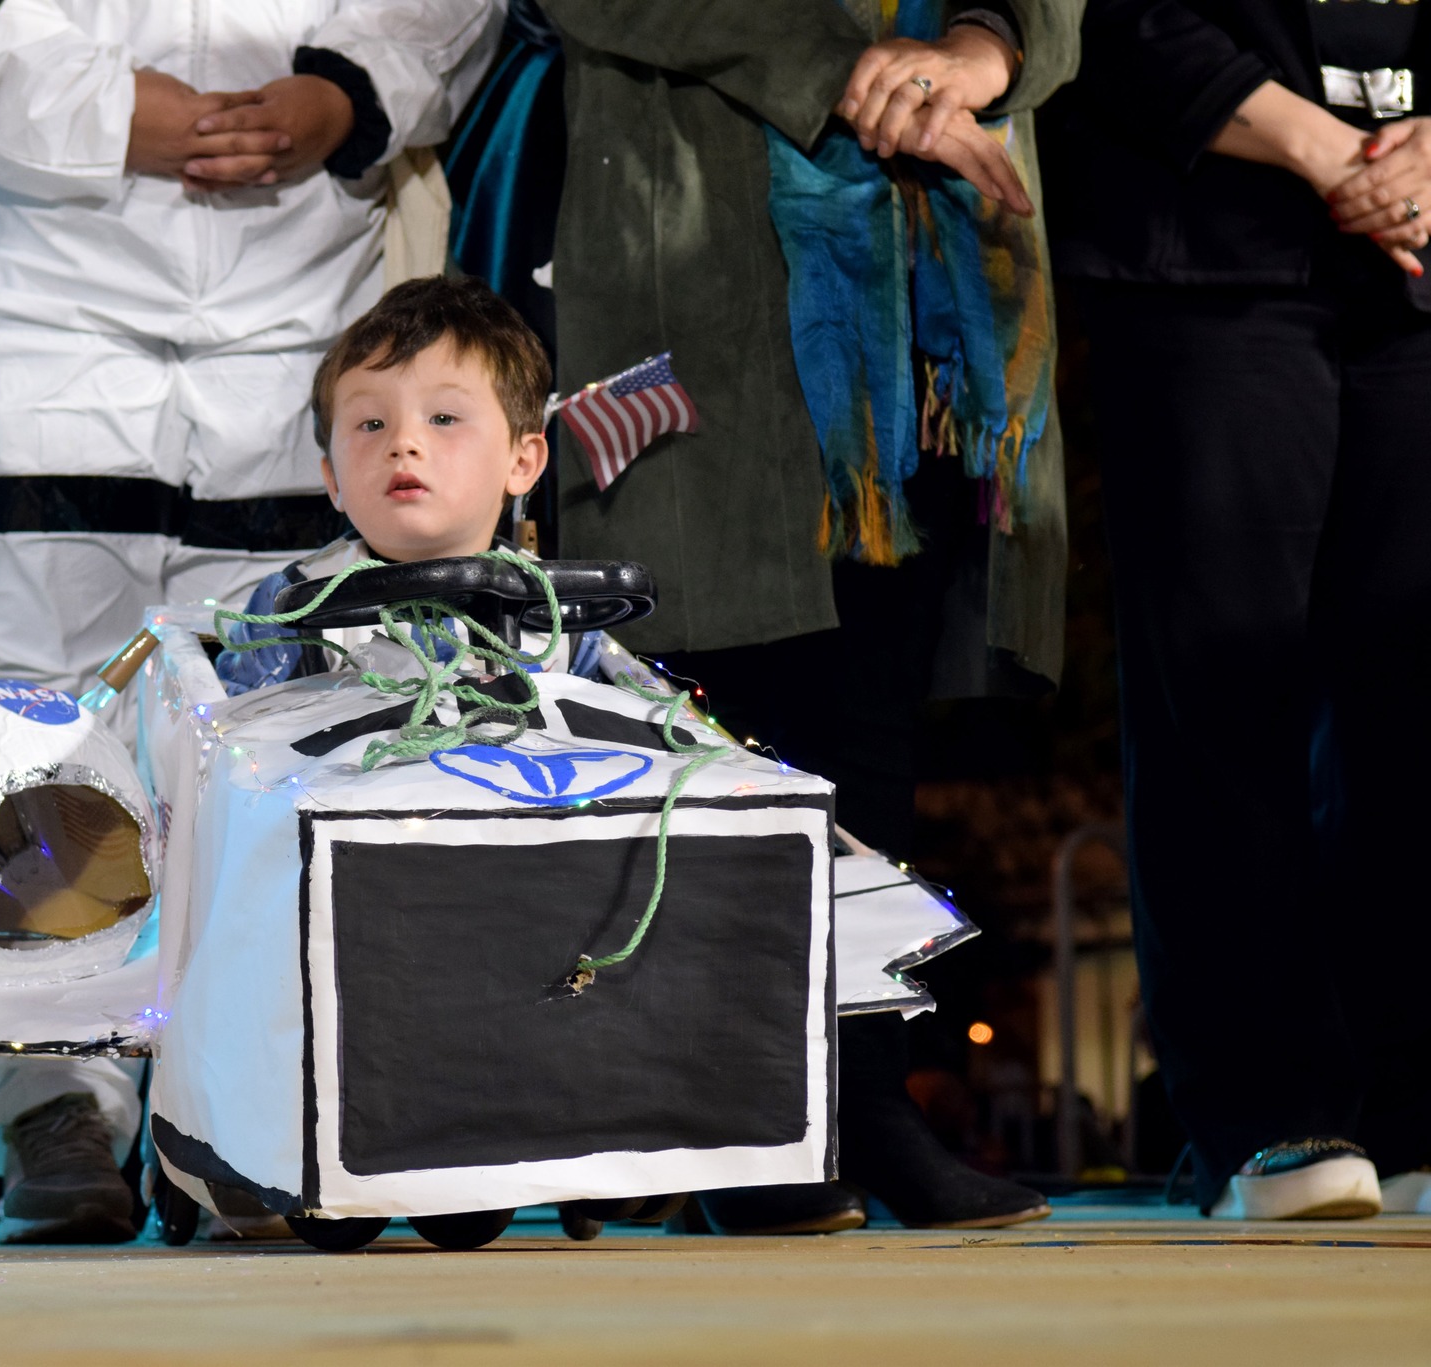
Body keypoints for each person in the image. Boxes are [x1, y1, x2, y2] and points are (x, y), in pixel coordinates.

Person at [0, 0, 503, 1244]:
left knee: (277, 743)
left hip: (300, 309)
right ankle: (52, 1099)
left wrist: (344, 92)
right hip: (39, 313)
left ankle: (250, 1106)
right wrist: (113, 112)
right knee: (36, 746)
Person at [535, 0, 1080, 1232]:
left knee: (870, 712)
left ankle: (853, 1096)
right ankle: (741, 1113)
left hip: (929, 261)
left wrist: (979, 53)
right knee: (729, 696)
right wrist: (843, 72)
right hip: (703, 215)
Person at [1044, 0, 1431, 1219]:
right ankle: (1266, 1117)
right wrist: (1326, 150)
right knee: (1219, 696)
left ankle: (1413, 1111)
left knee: (1410, 699)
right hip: (1203, 250)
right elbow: (1106, 13)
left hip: (1417, 267)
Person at [215, 274, 575, 695]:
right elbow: (239, 743)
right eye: (372, 424)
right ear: (333, 479)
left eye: (443, 418)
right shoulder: (296, 607)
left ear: (521, 461)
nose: (403, 443)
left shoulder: (564, 610)